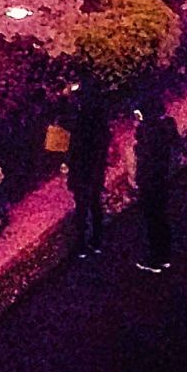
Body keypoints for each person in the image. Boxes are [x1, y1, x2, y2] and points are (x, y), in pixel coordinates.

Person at [133, 92, 179, 273]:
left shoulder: (149, 132)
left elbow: (144, 157)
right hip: (162, 178)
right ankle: (164, 255)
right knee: (160, 218)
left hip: (151, 181)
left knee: (153, 219)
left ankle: (156, 258)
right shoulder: (166, 126)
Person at [65, 83, 113, 258]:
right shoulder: (100, 121)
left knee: (82, 207)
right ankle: (97, 239)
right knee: (95, 203)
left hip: (82, 169)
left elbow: (74, 145)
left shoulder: (81, 121)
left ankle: (81, 244)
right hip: (95, 168)